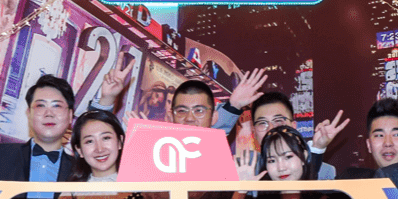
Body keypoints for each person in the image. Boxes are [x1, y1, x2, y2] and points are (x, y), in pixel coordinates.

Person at [89, 62, 269, 134]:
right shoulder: (156, 147)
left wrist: (234, 105)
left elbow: (217, 134)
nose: (189, 118)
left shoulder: (215, 151)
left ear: (213, 115)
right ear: (171, 113)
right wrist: (106, 100)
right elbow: (94, 139)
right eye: (182, 110)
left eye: (199, 110)